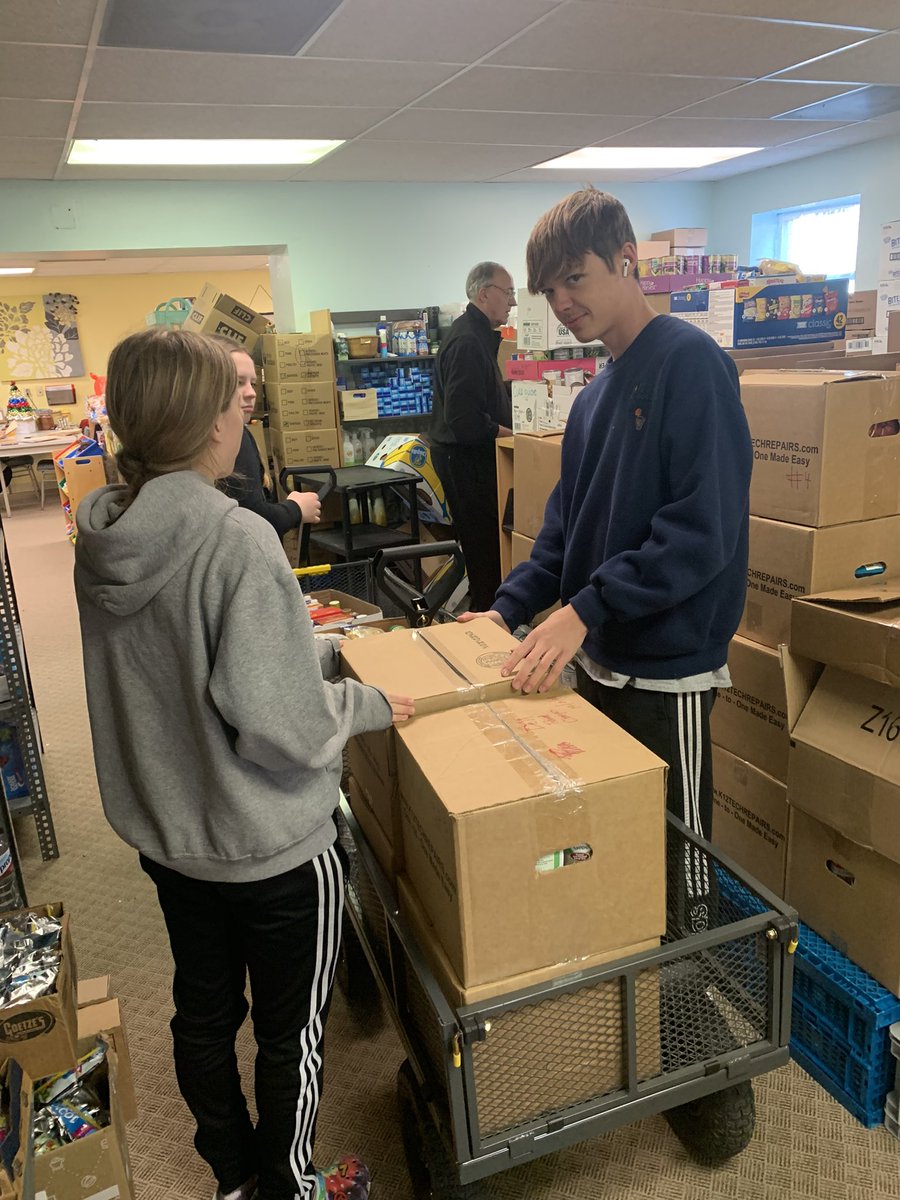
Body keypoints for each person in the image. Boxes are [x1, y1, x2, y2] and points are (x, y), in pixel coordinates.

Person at [74, 327, 414, 1200]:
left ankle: (234, 1181)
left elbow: (176, 681)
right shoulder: (235, 539)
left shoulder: (102, 536)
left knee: (204, 1010)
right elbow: (285, 729)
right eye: (233, 393)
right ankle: (290, 1187)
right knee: (291, 1027)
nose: (243, 406)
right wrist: (366, 704)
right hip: (270, 844)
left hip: (173, 835)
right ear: (204, 420)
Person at [463, 189, 752, 933]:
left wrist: (584, 609)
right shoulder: (594, 398)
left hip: (669, 669)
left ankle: (691, 1016)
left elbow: (700, 531)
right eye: (548, 289)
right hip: (599, 666)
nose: (561, 301)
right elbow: (564, 533)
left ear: (626, 260)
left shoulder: (692, 364)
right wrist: (502, 609)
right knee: (615, 850)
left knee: (678, 866)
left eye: (575, 278)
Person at [430, 262, 514, 611]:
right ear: (484, 294)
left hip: (472, 459)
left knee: (487, 553)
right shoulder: (467, 341)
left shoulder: (477, 335)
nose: (511, 302)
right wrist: (511, 434)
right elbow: (464, 420)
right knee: (485, 556)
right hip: (467, 462)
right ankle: (484, 628)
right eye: (508, 293)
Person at [218, 341, 322, 536]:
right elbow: (252, 518)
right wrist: (296, 509)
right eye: (239, 382)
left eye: (253, 383)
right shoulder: (233, 435)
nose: (251, 393)